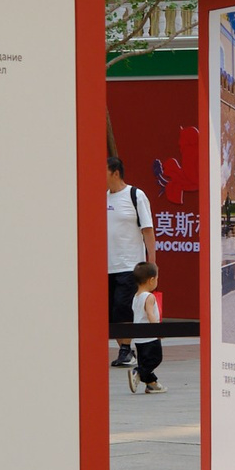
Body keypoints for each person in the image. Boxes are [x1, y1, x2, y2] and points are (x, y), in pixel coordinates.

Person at [104, 157, 154, 367]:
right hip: (106, 266)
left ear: (116, 173)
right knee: (109, 312)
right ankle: (125, 350)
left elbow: (148, 230)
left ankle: (125, 349)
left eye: (104, 171)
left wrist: (152, 265)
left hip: (129, 265)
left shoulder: (136, 195)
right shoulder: (102, 198)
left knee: (122, 307)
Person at [128, 261, 165, 394]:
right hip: (150, 337)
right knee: (155, 359)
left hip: (139, 337)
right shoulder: (149, 297)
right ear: (151, 280)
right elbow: (150, 314)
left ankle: (151, 384)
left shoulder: (136, 297)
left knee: (144, 362)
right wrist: (157, 330)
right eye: (157, 279)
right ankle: (137, 373)